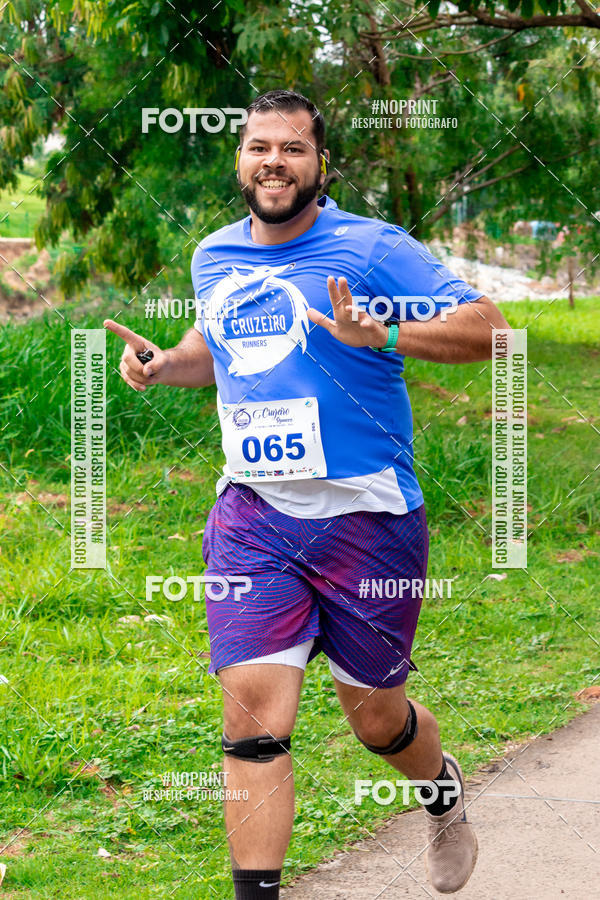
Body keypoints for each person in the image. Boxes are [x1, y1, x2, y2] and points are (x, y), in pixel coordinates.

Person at [105, 89, 510, 898]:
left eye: (293, 149)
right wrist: (162, 365)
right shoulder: (215, 256)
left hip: (369, 521)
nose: (274, 163)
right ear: (240, 159)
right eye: (260, 147)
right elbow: (218, 350)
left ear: (322, 164)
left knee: (376, 719)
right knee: (253, 726)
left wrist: (387, 332)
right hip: (254, 516)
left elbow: (492, 330)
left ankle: (439, 791)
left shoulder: (374, 248)